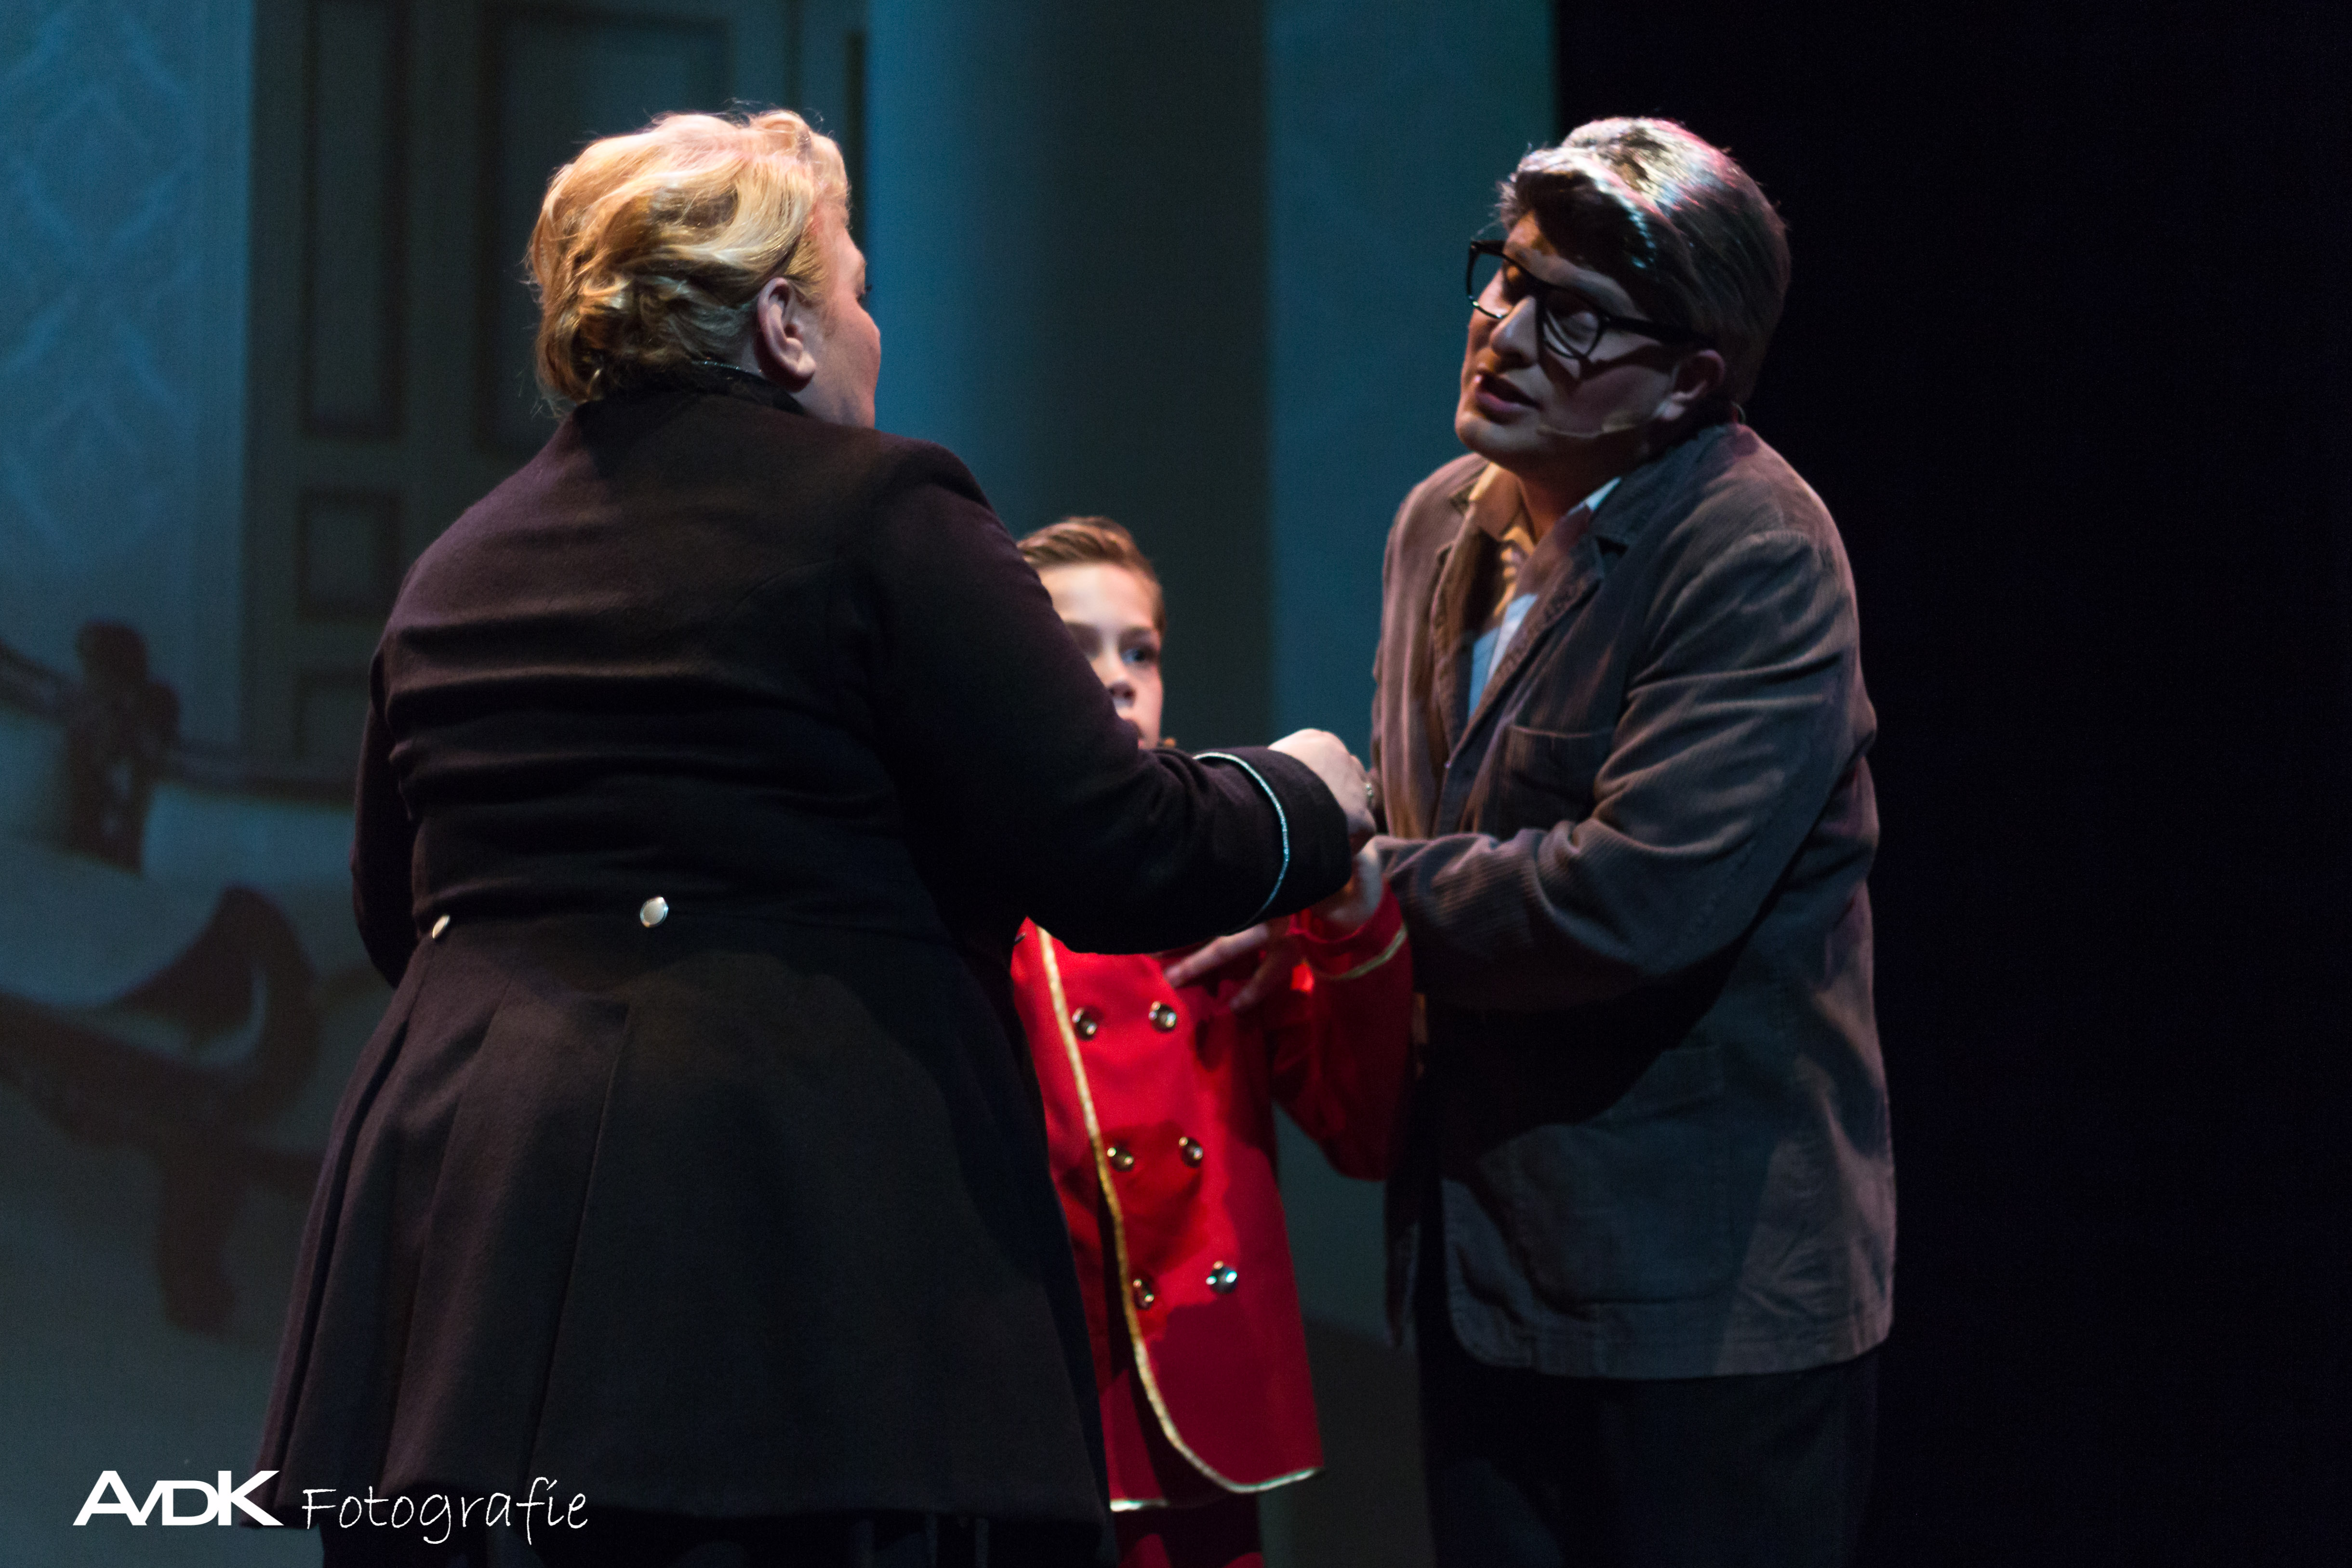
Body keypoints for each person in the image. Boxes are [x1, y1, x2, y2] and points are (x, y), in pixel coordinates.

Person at [252, 110, 1371, 1568]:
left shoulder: (455, 564)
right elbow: (1118, 846)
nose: (871, 329)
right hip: (772, 1232)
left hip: (464, 1236)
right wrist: (1305, 793)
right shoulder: (882, 510)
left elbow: (393, 909)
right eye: (856, 289)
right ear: (783, 324)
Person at [1371, 118, 1893, 1567]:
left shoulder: (1752, 547)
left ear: (1687, 382)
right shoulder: (1439, 524)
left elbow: (1628, 900)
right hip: (1485, 1273)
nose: (1503, 328)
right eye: (1507, 275)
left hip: (1698, 1310)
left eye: (1573, 315)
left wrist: (1342, 889)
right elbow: (1433, 829)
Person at [1005, 519, 1413, 1568]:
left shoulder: (1229, 872)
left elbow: (1362, 1128)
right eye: (1073, 646)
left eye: (1138, 651)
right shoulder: (979, 881)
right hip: (1047, 1386)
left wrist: (1346, 915)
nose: (1115, 677)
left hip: (1197, 1379)